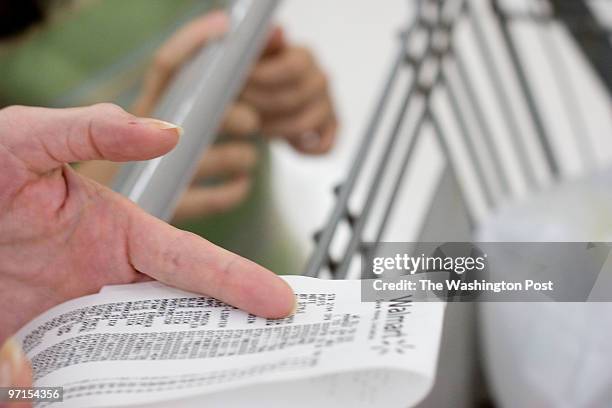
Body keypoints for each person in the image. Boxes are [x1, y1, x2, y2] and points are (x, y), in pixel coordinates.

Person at [0, 1, 338, 399]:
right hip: (123, 362)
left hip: (281, 274)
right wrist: (119, 179)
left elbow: (298, 107)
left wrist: (297, 97)